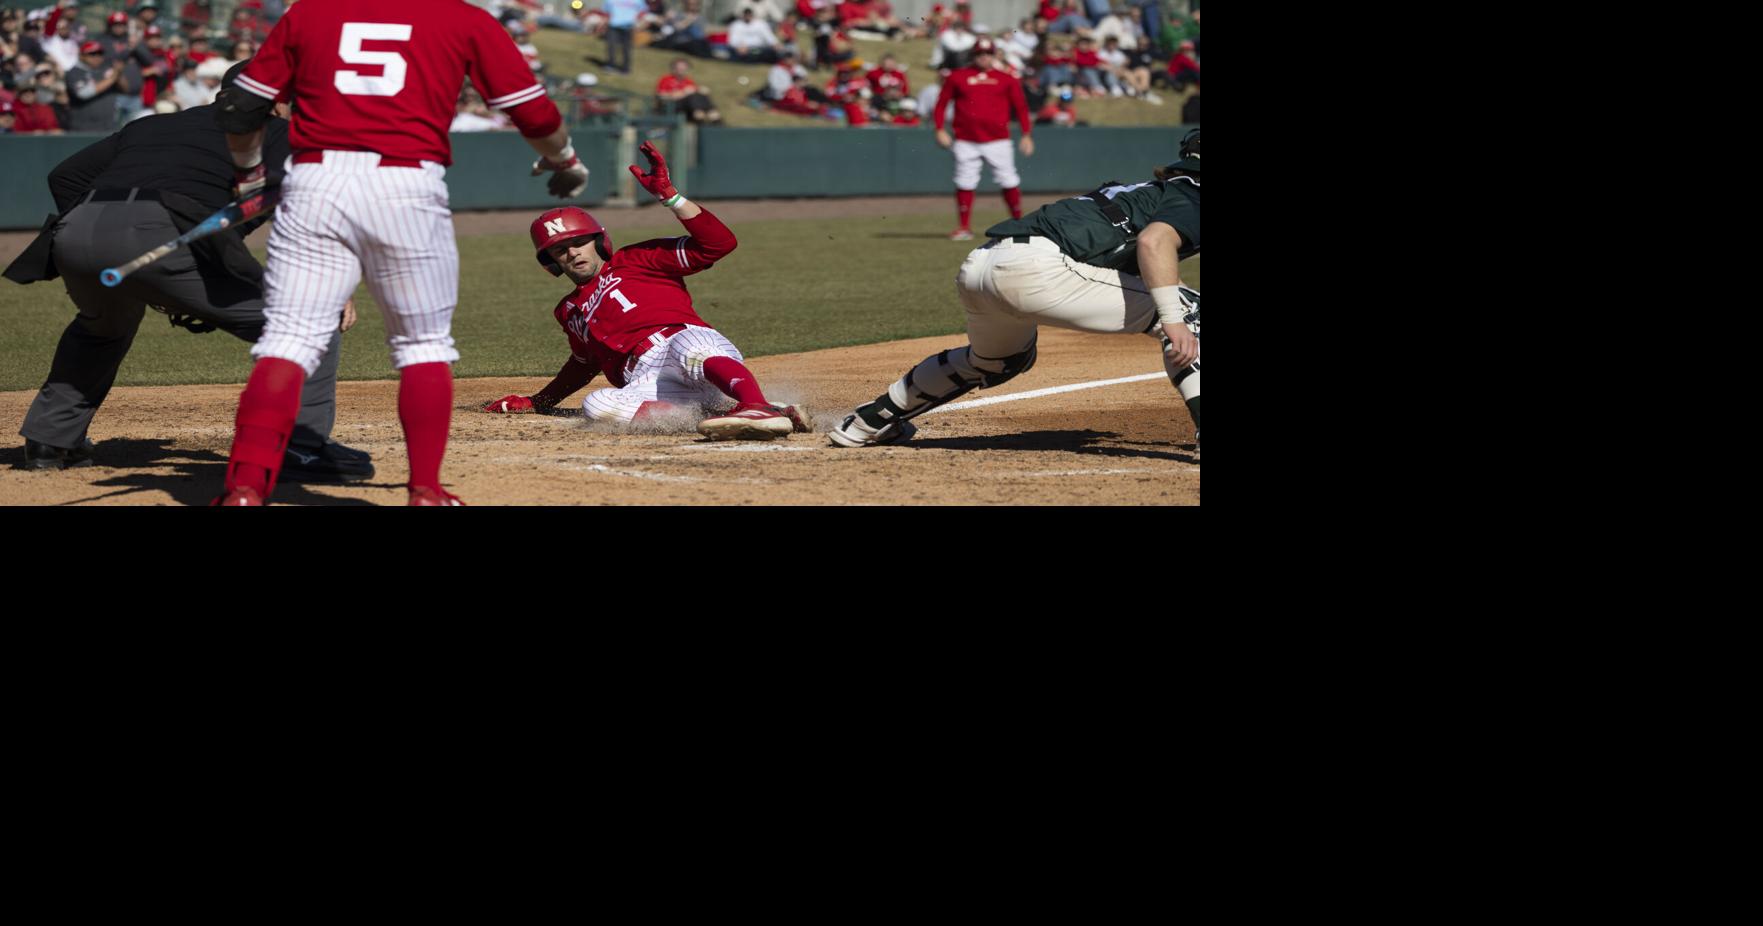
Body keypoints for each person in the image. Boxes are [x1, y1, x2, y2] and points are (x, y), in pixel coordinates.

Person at [210, 0, 586, 507]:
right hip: (406, 183)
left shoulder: (309, 13)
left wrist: (249, 172)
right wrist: (564, 158)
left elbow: (240, 106)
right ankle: (425, 491)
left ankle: (244, 491)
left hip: (315, 181)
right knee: (422, 346)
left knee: (288, 342)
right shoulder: (464, 18)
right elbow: (533, 113)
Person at [2, 61, 369, 480]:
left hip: (76, 230)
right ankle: (301, 450)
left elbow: (65, 176)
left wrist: (101, 232)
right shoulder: (279, 132)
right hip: (158, 230)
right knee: (311, 322)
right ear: (275, 101)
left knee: (103, 327)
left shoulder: (151, 124)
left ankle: (50, 440)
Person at [830, 130, 1200, 449]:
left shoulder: (1147, 192)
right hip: (1038, 270)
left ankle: (868, 421)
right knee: (1188, 313)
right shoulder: (1193, 192)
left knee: (996, 360)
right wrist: (1174, 318)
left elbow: (1146, 264)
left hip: (983, 264)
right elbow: (1153, 243)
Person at [481, 142, 811, 441]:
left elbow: (719, 244)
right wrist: (539, 401)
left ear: (598, 241)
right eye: (560, 250)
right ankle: (734, 414)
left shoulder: (636, 258)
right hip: (644, 378)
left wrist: (671, 197)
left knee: (691, 345)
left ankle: (756, 406)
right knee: (597, 405)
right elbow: (583, 364)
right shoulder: (568, 310)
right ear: (551, 262)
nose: (573, 253)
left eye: (579, 242)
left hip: (680, 347)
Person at [933, 38, 1032, 241]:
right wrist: (940, 129)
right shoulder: (957, 77)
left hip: (998, 140)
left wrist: (1026, 134)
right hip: (966, 139)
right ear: (973, 55)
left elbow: (1021, 107)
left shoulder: (1006, 78)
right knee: (965, 180)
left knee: (1008, 179)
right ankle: (964, 227)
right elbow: (941, 104)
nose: (984, 57)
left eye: (988, 53)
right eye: (979, 53)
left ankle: (1019, 224)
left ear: (994, 55)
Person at [602, 0, 645, 74]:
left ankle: (625, 68)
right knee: (611, 46)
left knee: (626, 48)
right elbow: (606, 11)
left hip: (629, 26)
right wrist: (606, 21)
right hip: (613, 25)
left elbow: (643, 11)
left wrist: (638, 22)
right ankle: (610, 65)